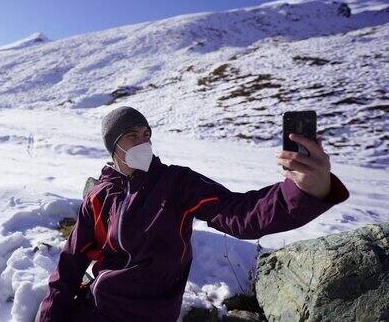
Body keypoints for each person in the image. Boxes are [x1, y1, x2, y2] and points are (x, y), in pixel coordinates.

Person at [36, 106, 350, 322]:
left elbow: (241, 214)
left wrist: (305, 190)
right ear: (114, 147)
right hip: (97, 309)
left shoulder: (177, 183)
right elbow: (69, 267)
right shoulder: (98, 196)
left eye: (146, 133)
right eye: (132, 135)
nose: (144, 140)